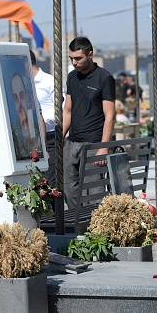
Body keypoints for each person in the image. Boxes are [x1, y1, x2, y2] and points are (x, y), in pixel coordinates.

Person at [63, 37, 115, 209]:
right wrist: (59, 138)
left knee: (94, 195)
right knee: (69, 190)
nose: (74, 62)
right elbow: (68, 111)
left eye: (78, 58)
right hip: (72, 144)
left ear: (90, 54)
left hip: (93, 144)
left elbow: (110, 115)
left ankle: (95, 232)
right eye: (71, 58)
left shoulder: (104, 78)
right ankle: (78, 228)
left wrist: (103, 147)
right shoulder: (72, 77)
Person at [30, 50, 56, 187]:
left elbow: (61, 111)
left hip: (50, 138)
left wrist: (39, 121)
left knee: (49, 183)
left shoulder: (48, 81)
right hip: (31, 139)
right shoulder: (24, 83)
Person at [9, 72, 43, 160]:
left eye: (21, 95)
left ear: (27, 98)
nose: (20, 103)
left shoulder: (37, 130)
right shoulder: (12, 133)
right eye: (16, 98)